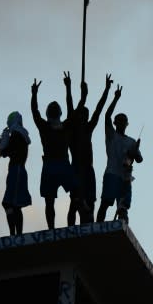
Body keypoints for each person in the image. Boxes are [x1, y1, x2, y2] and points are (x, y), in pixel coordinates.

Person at [65, 74, 112, 225]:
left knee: (90, 202)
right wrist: (68, 87)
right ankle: (71, 229)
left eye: (86, 114)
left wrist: (106, 90)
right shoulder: (72, 130)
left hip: (88, 169)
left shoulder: (88, 128)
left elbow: (99, 109)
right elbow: (70, 106)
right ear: (79, 116)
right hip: (77, 168)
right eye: (83, 114)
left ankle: (88, 225)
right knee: (74, 202)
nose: (86, 116)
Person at [31, 75, 76, 229]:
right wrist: (68, 87)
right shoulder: (60, 126)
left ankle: (53, 228)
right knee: (73, 196)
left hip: (54, 166)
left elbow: (35, 112)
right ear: (58, 113)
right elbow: (71, 110)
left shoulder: (46, 127)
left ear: (48, 114)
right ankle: (57, 227)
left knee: (51, 201)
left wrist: (34, 94)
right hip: (59, 165)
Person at [95, 86, 143, 223]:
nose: (121, 123)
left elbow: (140, 159)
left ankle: (123, 228)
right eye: (119, 120)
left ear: (127, 124)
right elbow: (106, 115)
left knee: (123, 209)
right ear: (115, 123)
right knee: (105, 204)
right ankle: (98, 227)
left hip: (125, 178)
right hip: (112, 174)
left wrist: (134, 153)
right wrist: (116, 98)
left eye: (123, 121)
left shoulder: (132, 141)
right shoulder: (111, 135)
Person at [0, 111, 32, 236]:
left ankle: (15, 234)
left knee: (10, 203)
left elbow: (8, 151)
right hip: (16, 170)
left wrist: (0, 146)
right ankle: (16, 233)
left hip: (16, 170)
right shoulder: (19, 134)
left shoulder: (17, 135)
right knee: (13, 205)